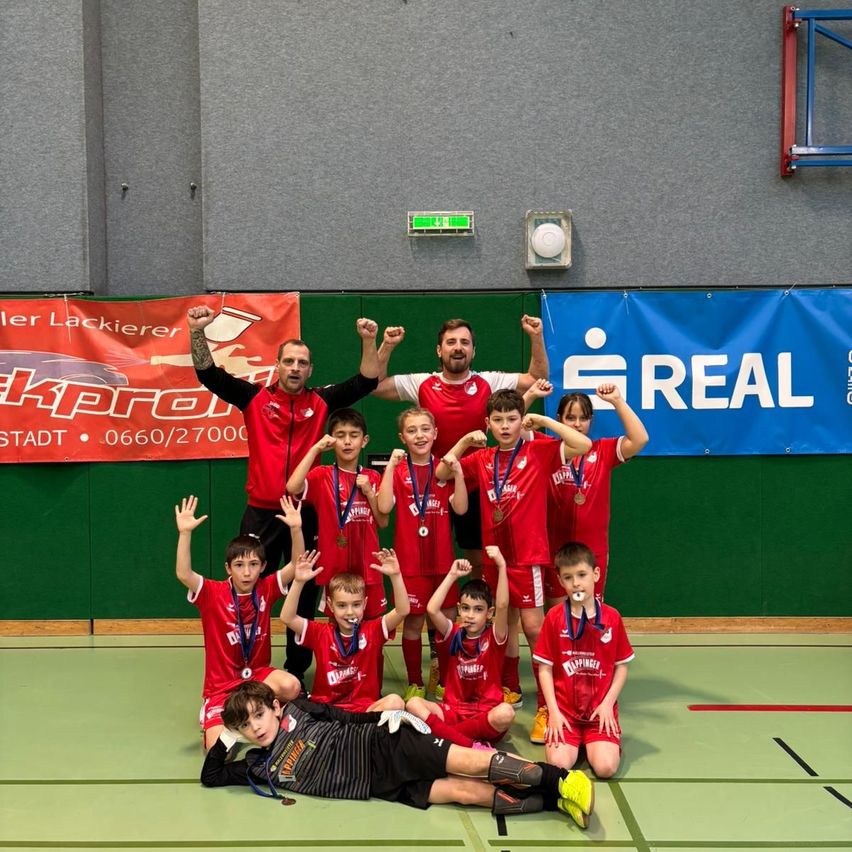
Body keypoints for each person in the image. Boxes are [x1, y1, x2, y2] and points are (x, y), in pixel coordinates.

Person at [187, 306, 390, 687]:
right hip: (261, 514)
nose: (295, 368)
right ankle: (247, 668)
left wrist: (368, 340)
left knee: (307, 589)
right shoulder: (254, 398)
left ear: (310, 370)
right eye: (289, 361)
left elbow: (366, 380)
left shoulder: (322, 402)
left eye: (302, 363)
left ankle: (295, 672)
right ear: (277, 365)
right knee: (248, 589)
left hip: (308, 514)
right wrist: (197, 331)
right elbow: (208, 374)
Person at [200, 680, 595, 828]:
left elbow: (346, 717)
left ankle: (563, 780)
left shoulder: (300, 710)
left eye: (259, 715)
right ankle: (554, 802)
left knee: (471, 762)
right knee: (465, 792)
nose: (256, 727)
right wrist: (226, 738)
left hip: (385, 745)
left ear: (275, 707)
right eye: (246, 725)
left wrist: (391, 716)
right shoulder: (257, 767)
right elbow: (211, 776)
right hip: (379, 785)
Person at [436, 389, 591, 736]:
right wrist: (464, 442)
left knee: (534, 627)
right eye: (498, 420)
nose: (505, 426)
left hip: (527, 557)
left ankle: (547, 706)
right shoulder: (482, 458)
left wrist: (545, 421)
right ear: (488, 424)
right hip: (495, 558)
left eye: (512, 419)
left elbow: (582, 445)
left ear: (522, 421)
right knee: (502, 625)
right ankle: (510, 687)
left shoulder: (539, 451)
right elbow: (442, 475)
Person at [373, 316, 549, 575]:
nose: (458, 347)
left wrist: (536, 336)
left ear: (473, 351)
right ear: (439, 349)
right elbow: (375, 385)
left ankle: (480, 601)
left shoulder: (489, 382)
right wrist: (387, 346)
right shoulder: (422, 383)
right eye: (451, 342)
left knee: (479, 558)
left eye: (465, 343)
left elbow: (537, 379)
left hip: (476, 483)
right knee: (428, 554)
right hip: (431, 485)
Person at [174, 494, 303, 750]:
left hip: (257, 677)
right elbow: (183, 574)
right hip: (222, 686)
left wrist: (296, 529)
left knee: (292, 685)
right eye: (239, 565)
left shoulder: (266, 588)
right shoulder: (212, 593)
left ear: (263, 566)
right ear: (228, 568)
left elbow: (296, 565)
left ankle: (256, 711)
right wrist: (185, 533)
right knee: (217, 750)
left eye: (253, 564)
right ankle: (219, 713)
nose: (246, 572)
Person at [525, 381, 648, 603]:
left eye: (583, 418)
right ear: (559, 419)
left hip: (593, 550)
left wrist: (617, 401)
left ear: (591, 420)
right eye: (570, 418)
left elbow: (640, 439)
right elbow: (516, 426)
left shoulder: (603, 450)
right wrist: (531, 395)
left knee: (589, 613)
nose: (577, 424)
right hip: (555, 549)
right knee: (560, 615)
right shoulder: (546, 448)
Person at [376, 407, 467, 700]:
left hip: (443, 563)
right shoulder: (399, 471)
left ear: (435, 433)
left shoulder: (444, 469)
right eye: (412, 430)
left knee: (445, 623)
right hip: (410, 564)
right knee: (413, 624)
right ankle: (415, 682)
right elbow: (384, 507)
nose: (420, 435)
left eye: (425, 429)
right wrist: (389, 467)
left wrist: (459, 473)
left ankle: (444, 682)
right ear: (402, 437)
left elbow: (461, 508)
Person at [533, 542, 634, 779]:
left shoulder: (612, 617)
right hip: (564, 712)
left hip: (599, 712)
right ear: (560, 581)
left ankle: (592, 742)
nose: (576, 583)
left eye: (581, 575)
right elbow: (545, 669)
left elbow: (621, 666)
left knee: (606, 768)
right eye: (568, 577)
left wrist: (608, 704)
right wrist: (553, 712)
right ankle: (575, 742)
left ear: (595, 574)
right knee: (559, 765)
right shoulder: (554, 617)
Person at [405, 548, 513, 749]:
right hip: (453, 711)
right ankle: (471, 744)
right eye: (465, 608)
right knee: (413, 704)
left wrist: (502, 565)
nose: (470, 615)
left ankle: (446, 737)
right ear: (458, 608)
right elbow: (432, 609)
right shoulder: (453, 632)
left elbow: (503, 605)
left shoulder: (495, 637)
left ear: (489, 613)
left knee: (506, 713)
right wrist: (452, 575)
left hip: (485, 714)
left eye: (478, 609)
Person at [286, 408, 388, 619]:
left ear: (364, 440)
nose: (347, 442)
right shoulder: (321, 476)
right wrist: (315, 449)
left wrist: (369, 492)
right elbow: (292, 487)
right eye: (340, 436)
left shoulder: (374, 477)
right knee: (338, 621)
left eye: (354, 435)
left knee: (372, 622)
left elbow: (383, 521)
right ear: (332, 440)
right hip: (334, 566)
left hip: (368, 564)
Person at [280, 548, 409, 712]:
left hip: (363, 711)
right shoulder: (320, 633)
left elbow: (402, 611)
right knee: (289, 707)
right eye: (342, 605)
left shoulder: (374, 630)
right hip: (327, 710)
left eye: (356, 605)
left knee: (396, 702)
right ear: (330, 605)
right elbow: (287, 618)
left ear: (364, 604)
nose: (349, 612)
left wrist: (396, 576)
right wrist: (298, 582)